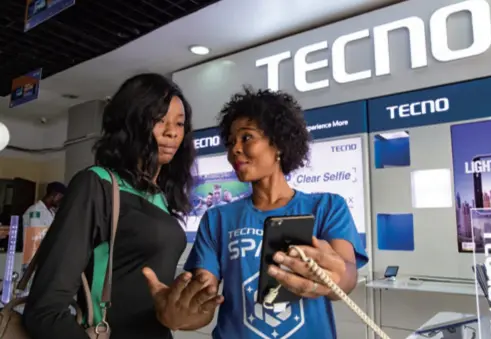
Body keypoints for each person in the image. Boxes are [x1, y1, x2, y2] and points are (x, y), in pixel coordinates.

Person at [143, 87, 368, 338]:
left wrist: (336, 276)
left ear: (279, 143)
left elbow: (347, 278)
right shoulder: (218, 219)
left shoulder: (327, 207)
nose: (234, 150)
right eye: (230, 143)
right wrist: (182, 313)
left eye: (246, 138)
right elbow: (205, 301)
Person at [23, 73, 198, 339]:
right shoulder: (97, 185)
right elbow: (44, 310)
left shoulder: (162, 198)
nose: (172, 132)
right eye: (158, 120)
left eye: (179, 123)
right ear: (131, 123)